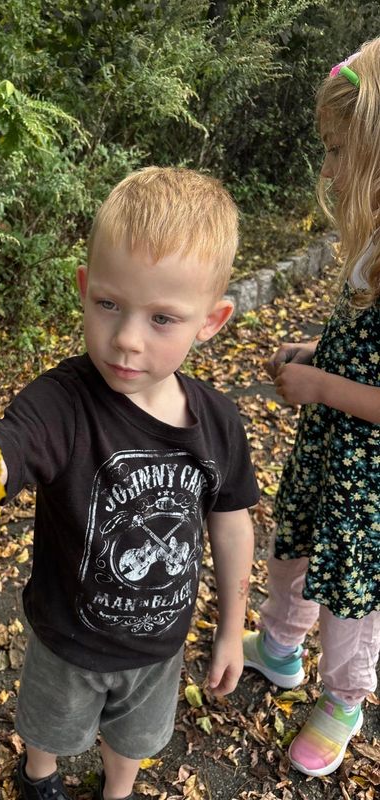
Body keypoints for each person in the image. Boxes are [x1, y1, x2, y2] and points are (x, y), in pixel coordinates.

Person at [0, 166, 259, 800]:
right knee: (49, 729)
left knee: (133, 741)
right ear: (84, 288)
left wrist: (232, 625)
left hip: (160, 648)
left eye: (163, 318)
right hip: (67, 642)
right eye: (108, 304)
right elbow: (2, 458)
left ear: (210, 321)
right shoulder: (62, 404)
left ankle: (117, 790)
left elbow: (231, 521)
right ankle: (39, 776)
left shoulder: (218, 422)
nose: (126, 340)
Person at [242, 39, 380, 778]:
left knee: (350, 590)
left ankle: (344, 699)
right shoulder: (373, 238)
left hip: (369, 483)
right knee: (294, 547)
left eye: (337, 151)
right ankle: (280, 647)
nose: (328, 171)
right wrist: (316, 353)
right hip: (329, 451)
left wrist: (324, 388)